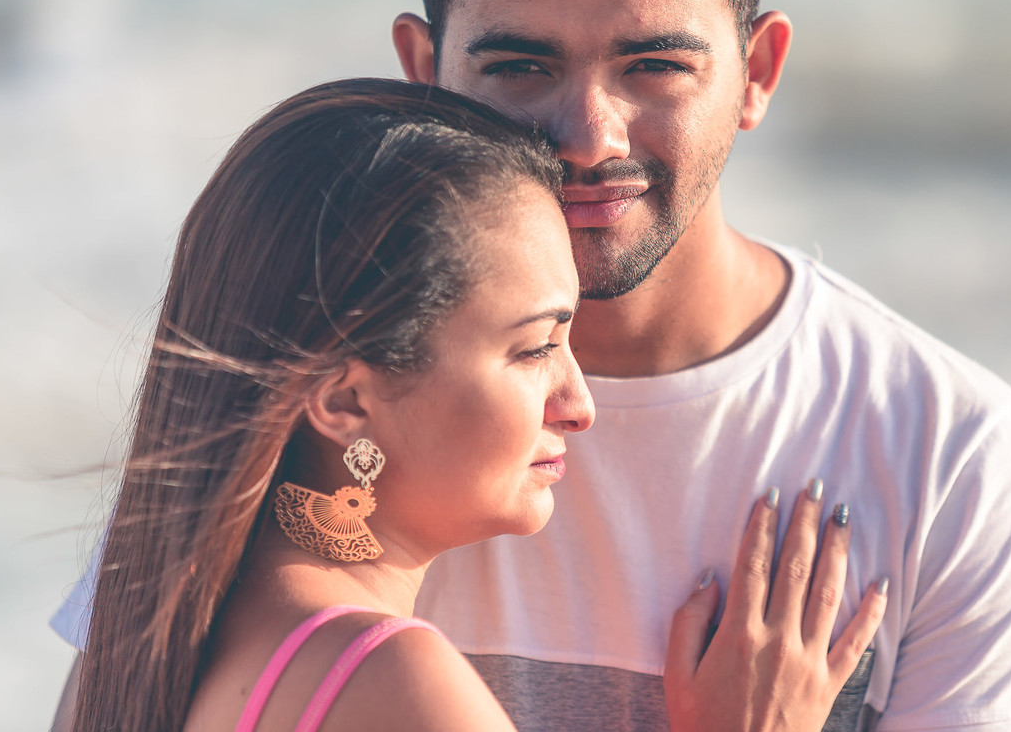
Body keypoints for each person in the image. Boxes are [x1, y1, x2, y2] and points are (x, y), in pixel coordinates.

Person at [54, 0, 1011, 729]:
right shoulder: (285, 437)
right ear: (423, 67)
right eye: (519, 65)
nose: (589, 136)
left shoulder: (946, 455)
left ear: (757, 71)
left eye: (653, 67)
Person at [54, 77, 886, 731]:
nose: (579, 403)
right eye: (534, 348)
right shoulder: (392, 679)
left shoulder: (137, 641)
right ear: (345, 401)